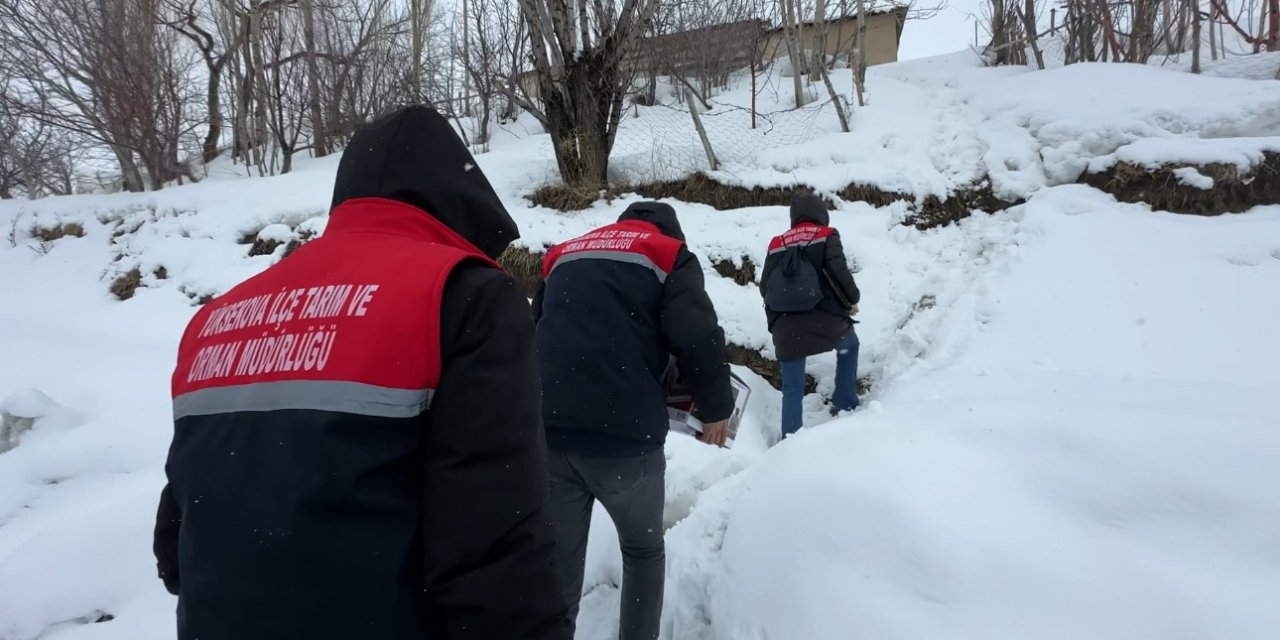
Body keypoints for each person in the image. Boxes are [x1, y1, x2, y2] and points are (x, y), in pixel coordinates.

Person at [152, 106, 572, 640]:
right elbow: (493, 548)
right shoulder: (460, 295)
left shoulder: (217, 319)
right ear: (458, 199)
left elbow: (178, 532)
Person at [532, 201, 734, 640]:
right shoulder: (668, 254)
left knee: (558, 563)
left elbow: (536, 332)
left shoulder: (564, 252)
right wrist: (717, 409)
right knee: (642, 551)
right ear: (671, 232)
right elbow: (697, 334)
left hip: (548, 433)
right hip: (625, 438)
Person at [759, 192, 862, 438]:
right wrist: (852, 300)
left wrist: (778, 322)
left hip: (786, 328)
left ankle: (790, 437)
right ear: (821, 215)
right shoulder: (826, 235)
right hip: (825, 320)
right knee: (850, 344)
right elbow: (838, 271)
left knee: (792, 387)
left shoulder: (776, 243)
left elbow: (765, 286)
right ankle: (845, 401)